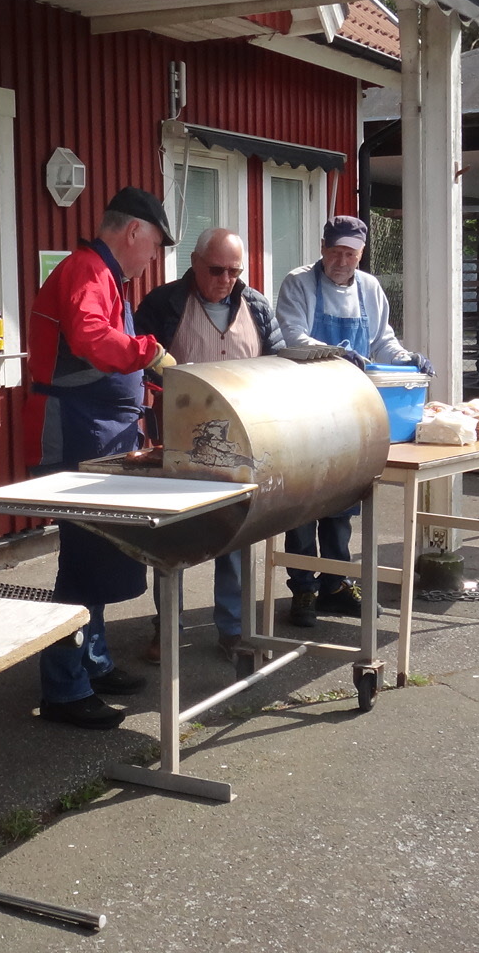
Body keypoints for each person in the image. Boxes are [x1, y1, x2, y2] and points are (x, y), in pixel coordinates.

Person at [24, 186, 176, 730]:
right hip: (76, 435)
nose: (152, 258)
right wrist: (149, 352)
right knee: (83, 563)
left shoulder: (105, 275)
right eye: (154, 245)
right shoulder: (87, 271)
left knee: (101, 551)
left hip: (102, 433)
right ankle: (64, 690)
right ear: (133, 231)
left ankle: (93, 662)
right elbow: (92, 339)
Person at [275, 215, 434, 627]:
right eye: (335, 252)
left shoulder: (369, 288)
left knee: (342, 502)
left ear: (360, 256)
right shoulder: (299, 283)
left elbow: (383, 340)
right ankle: (303, 589)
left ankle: (336, 585)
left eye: (350, 254)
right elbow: (293, 336)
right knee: (303, 504)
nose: (341, 261)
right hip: (304, 409)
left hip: (350, 411)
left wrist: (407, 359)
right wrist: (335, 353)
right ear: (322, 249)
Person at [133, 227, 283, 661]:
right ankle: (167, 629)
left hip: (242, 437)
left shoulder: (256, 306)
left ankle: (233, 628)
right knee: (173, 535)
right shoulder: (164, 304)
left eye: (234, 271)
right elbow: (135, 360)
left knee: (235, 533)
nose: (226, 280)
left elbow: (277, 362)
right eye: (216, 270)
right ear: (195, 263)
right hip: (179, 436)